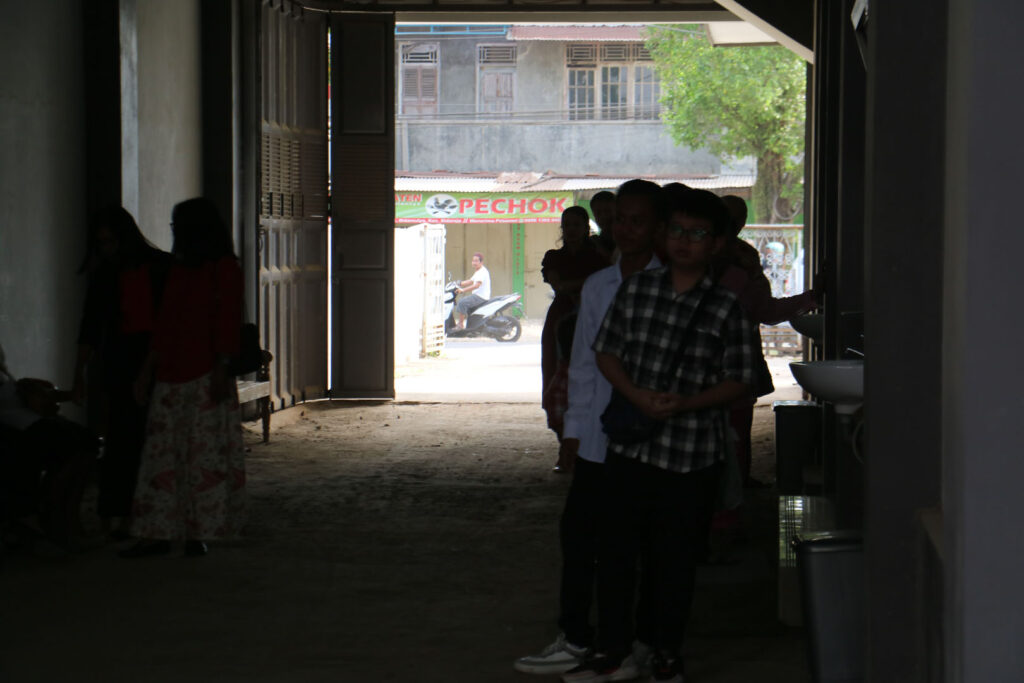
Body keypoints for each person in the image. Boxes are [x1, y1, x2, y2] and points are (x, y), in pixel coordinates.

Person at [566, 190, 758, 682]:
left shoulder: (726, 307)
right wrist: (636, 395)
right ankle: (614, 650)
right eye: (677, 231)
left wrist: (686, 403)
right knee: (616, 554)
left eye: (697, 233)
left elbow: (741, 378)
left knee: (673, 561)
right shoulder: (637, 290)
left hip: (691, 456)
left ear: (717, 243)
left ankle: (664, 652)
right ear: (663, 235)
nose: (684, 241)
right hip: (629, 447)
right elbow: (605, 352)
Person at [515, 179, 663, 677]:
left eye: (638, 220)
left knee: (637, 545)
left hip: (651, 437)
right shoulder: (601, 284)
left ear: (657, 227)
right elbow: (582, 363)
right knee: (579, 535)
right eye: (619, 220)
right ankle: (577, 637)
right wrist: (574, 430)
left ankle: (638, 644)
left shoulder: (671, 285)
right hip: (599, 435)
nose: (625, 229)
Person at [120, 198, 246, 559]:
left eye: (178, 226)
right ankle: (162, 532)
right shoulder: (182, 269)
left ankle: (195, 532)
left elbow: (227, 322)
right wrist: (148, 369)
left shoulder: (223, 269)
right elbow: (165, 323)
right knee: (165, 458)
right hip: (173, 374)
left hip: (204, 374)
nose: (174, 232)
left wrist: (221, 368)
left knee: (199, 459)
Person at [73, 206, 171, 540]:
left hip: (152, 357)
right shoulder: (108, 274)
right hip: (122, 360)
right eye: (101, 243)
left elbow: (169, 322)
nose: (106, 249)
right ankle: (118, 512)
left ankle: (133, 513)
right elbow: (90, 327)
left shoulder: (158, 267)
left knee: (146, 440)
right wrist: (79, 373)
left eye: (110, 242)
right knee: (121, 439)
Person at [716, 194, 818, 488]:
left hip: (724, 363)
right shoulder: (741, 260)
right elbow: (765, 311)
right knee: (735, 429)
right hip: (734, 361)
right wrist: (809, 298)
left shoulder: (734, 259)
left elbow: (764, 309)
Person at [0, 344, 97, 551]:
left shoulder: (6, 376)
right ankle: (53, 518)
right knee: (70, 443)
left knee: (88, 441)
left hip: (30, 422)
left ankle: (69, 516)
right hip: (19, 428)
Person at [541, 207, 609, 449]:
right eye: (567, 225)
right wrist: (588, 284)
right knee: (556, 373)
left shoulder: (599, 256)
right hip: (561, 320)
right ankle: (564, 440)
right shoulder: (554, 257)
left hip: (590, 317)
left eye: (576, 225)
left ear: (586, 228)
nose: (571, 230)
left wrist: (573, 286)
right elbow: (558, 285)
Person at [454, 252, 491, 329]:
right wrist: (458, 283)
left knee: (462, 302)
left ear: (481, 262)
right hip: (478, 296)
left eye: (476, 261)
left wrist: (463, 290)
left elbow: (476, 285)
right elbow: (471, 281)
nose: (474, 263)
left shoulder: (482, 272)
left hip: (480, 297)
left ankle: (460, 325)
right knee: (464, 302)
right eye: (473, 261)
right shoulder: (478, 271)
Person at [588, 191, 617, 261]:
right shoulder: (592, 243)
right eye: (598, 213)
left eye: (608, 211)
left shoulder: (629, 239)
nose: (604, 216)